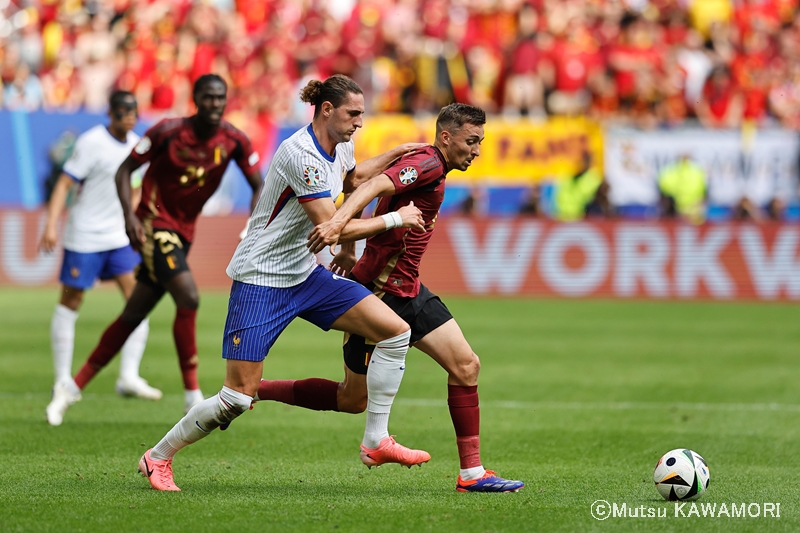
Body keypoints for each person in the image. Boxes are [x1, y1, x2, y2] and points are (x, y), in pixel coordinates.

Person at [138, 74, 430, 492]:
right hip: (262, 278)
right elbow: (331, 226)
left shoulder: (339, 142)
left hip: (305, 274)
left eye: (361, 115)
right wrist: (395, 218)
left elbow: (349, 179)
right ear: (326, 110)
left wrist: (393, 155)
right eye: (353, 114)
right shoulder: (300, 154)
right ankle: (158, 456)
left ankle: (375, 440)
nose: (359, 122)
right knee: (236, 398)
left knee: (394, 332)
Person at [261, 103, 525, 493]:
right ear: (446, 136)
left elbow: (365, 184)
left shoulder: (431, 164)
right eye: (471, 141)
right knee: (352, 399)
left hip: (410, 289)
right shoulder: (430, 163)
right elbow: (371, 186)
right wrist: (338, 225)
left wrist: (350, 239)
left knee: (466, 366)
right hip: (379, 293)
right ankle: (257, 390)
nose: (476, 150)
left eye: (480, 142)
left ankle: (472, 473)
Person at [45, 74, 264, 425]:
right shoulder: (167, 131)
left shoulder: (234, 139)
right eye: (208, 97)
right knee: (189, 297)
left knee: (133, 314)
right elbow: (124, 170)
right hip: (153, 224)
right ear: (195, 98)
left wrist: (253, 225)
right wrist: (130, 217)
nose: (215, 104)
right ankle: (192, 394)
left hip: (184, 232)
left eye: (221, 98)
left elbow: (258, 184)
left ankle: (70, 388)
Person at [41, 91, 161, 427]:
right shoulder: (91, 142)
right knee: (71, 302)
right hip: (85, 235)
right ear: (109, 113)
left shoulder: (138, 145)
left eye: (133, 111)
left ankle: (129, 376)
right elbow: (65, 183)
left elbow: (136, 186)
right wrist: (51, 224)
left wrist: (138, 221)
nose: (129, 116)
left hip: (118, 237)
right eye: (123, 111)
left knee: (139, 299)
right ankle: (63, 381)